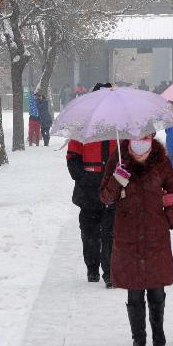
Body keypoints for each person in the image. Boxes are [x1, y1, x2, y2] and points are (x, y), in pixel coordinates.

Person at [100, 135, 173, 346]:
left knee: (156, 289)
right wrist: (117, 179)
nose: (140, 139)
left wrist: (167, 218)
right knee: (134, 292)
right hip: (128, 235)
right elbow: (106, 198)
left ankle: (158, 331)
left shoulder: (160, 160)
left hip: (156, 233)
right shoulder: (117, 159)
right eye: (135, 135)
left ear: (151, 136)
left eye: (145, 135)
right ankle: (139, 340)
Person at [66, 83, 117, 287]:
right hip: (88, 187)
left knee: (111, 232)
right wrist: (82, 177)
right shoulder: (82, 126)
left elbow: (130, 155)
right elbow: (72, 156)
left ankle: (110, 272)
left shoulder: (121, 127)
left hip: (114, 186)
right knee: (89, 232)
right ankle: (92, 267)